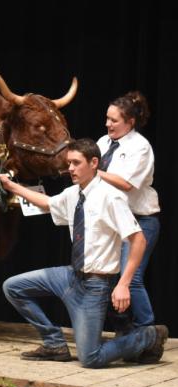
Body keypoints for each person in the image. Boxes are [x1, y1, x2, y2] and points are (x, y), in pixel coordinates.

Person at [0, 138, 168, 368]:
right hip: (70, 276)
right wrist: (11, 186)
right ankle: (54, 342)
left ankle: (148, 336)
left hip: (95, 286)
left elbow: (138, 240)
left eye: (76, 163)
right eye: (69, 163)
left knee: (90, 358)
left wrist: (124, 283)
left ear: (94, 162)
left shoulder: (111, 196)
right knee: (13, 287)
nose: (70, 169)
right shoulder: (73, 193)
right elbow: (47, 203)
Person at [97, 91, 159, 335]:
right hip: (113, 221)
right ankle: (126, 331)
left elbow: (126, 183)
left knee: (130, 279)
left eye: (114, 120)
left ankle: (148, 330)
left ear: (130, 122)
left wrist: (92, 171)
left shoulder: (140, 147)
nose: (108, 124)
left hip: (140, 221)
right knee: (110, 279)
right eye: (107, 118)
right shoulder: (103, 143)